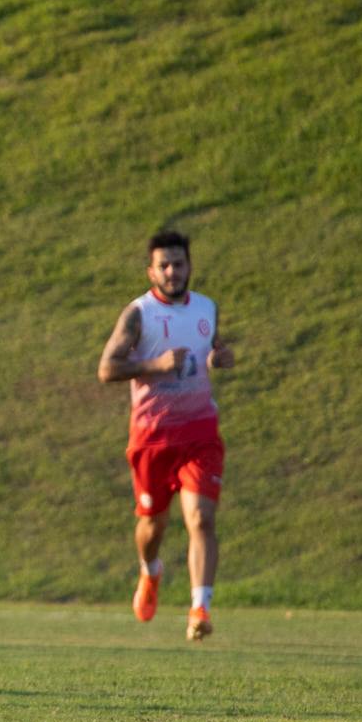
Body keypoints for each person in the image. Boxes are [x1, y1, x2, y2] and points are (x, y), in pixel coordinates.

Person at [97, 230, 232, 641]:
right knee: (152, 527)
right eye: (164, 265)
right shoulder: (138, 314)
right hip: (152, 440)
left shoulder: (207, 308)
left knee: (201, 518)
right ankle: (150, 571)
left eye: (179, 263)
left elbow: (210, 349)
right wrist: (155, 365)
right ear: (151, 270)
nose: (173, 271)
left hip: (200, 437)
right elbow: (107, 369)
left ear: (190, 266)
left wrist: (219, 357)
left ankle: (200, 608)